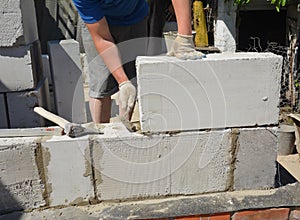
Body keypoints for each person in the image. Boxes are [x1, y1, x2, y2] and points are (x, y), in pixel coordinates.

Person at [73, 0, 203, 124]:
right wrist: (122, 82)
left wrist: (185, 36)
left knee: (133, 79)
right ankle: (101, 136)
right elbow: (102, 38)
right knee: (101, 85)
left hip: (134, 16)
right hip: (98, 22)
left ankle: (124, 129)